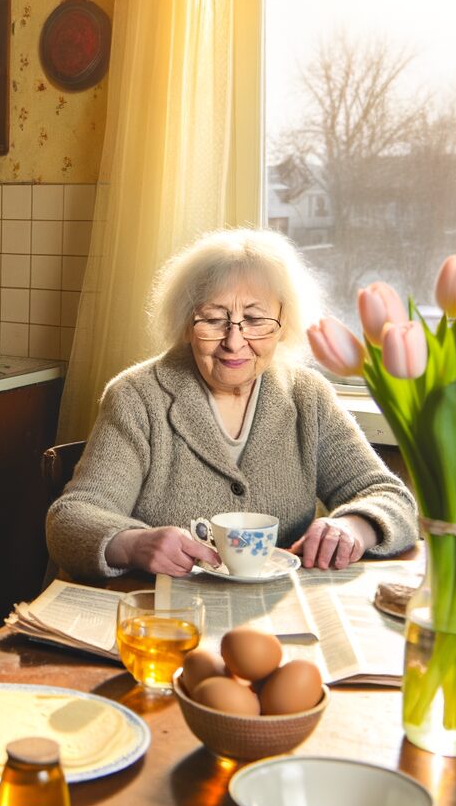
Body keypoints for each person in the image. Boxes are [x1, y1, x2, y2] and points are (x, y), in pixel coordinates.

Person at [47, 228, 418, 581]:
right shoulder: (137, 397)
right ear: (186, 324)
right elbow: (70, 519)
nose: (234, 342)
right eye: (213, 319)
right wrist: (131, 544)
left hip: (278, 615)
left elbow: (390, 497)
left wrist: (352, 527)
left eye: (255, 319)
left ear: (283, 324)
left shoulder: (309, 395)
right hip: (166, 614)